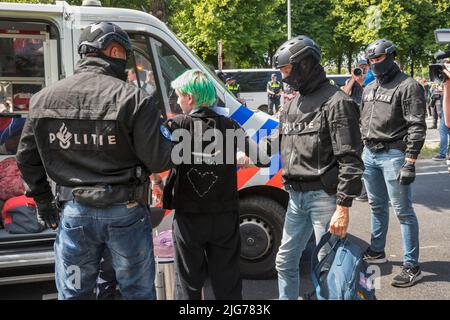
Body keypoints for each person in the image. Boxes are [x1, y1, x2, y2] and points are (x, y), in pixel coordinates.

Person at [15, 22, 173, 299]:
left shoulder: (43, 99)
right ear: (113, 50)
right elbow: (159, 160)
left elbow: (27, 158)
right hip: (126, 212)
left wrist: (42, 201)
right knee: (136, 291)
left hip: (75, 213)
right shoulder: (134, 99)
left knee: (75, 292)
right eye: (124, 53)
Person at [159, 69, 269, 300]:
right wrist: (243, 158)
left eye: (179, 95)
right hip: (224, 215)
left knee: (188, 282)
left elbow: (155, 157)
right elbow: (262, 158)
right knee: (227, 280)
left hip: (189, 217)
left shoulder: (177, 125)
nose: (177, 101)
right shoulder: (229, 125)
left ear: (190, 97)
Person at [272, 35, 364, 300]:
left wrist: (343, 207)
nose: (284, 76)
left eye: (287, 70)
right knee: (284, 262)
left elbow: (351, 160)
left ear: (305, 65)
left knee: (327, 268)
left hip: (324, 198)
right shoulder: (291, 105)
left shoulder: (337, 103)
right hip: (295, 197)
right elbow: (277, 145)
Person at [360, 39, 426, 287]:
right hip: (370, 155)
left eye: (377, 59)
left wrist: (410, 161)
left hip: (394, 155)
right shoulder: (369, 88)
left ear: (390, 57)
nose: (374, 64)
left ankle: (412, 266)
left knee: (403, 211)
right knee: (377, 206)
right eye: (370, 61)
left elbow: (417, 126)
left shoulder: (409, 86)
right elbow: (362, 122)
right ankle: (377, 250)